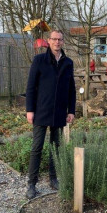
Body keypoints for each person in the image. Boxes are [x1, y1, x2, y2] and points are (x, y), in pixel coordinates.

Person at [25, 29, 76, 199]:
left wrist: (71, 111)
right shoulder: (40, 60)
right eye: (54, 39)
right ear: (49, 41)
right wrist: (30, 110)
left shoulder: (68, 62)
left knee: (56, 148)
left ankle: (53, 179)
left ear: (63, 41)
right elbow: (31, 87)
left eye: (60, 39)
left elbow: (71, 89)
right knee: (37, 147)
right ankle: (32, 183)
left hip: (59, 112)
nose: (57, 42)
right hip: (41, 110)